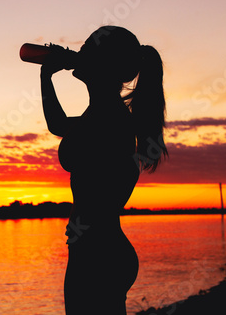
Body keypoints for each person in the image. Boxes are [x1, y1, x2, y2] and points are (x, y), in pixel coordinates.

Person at [39, 26, 168, 314]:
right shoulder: (102, 114)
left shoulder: (108, 118)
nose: (78, 52)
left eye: (86, 48)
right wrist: (45, 76)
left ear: (101, 64)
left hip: (97, 254)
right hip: (102, 248)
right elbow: (58, 125)